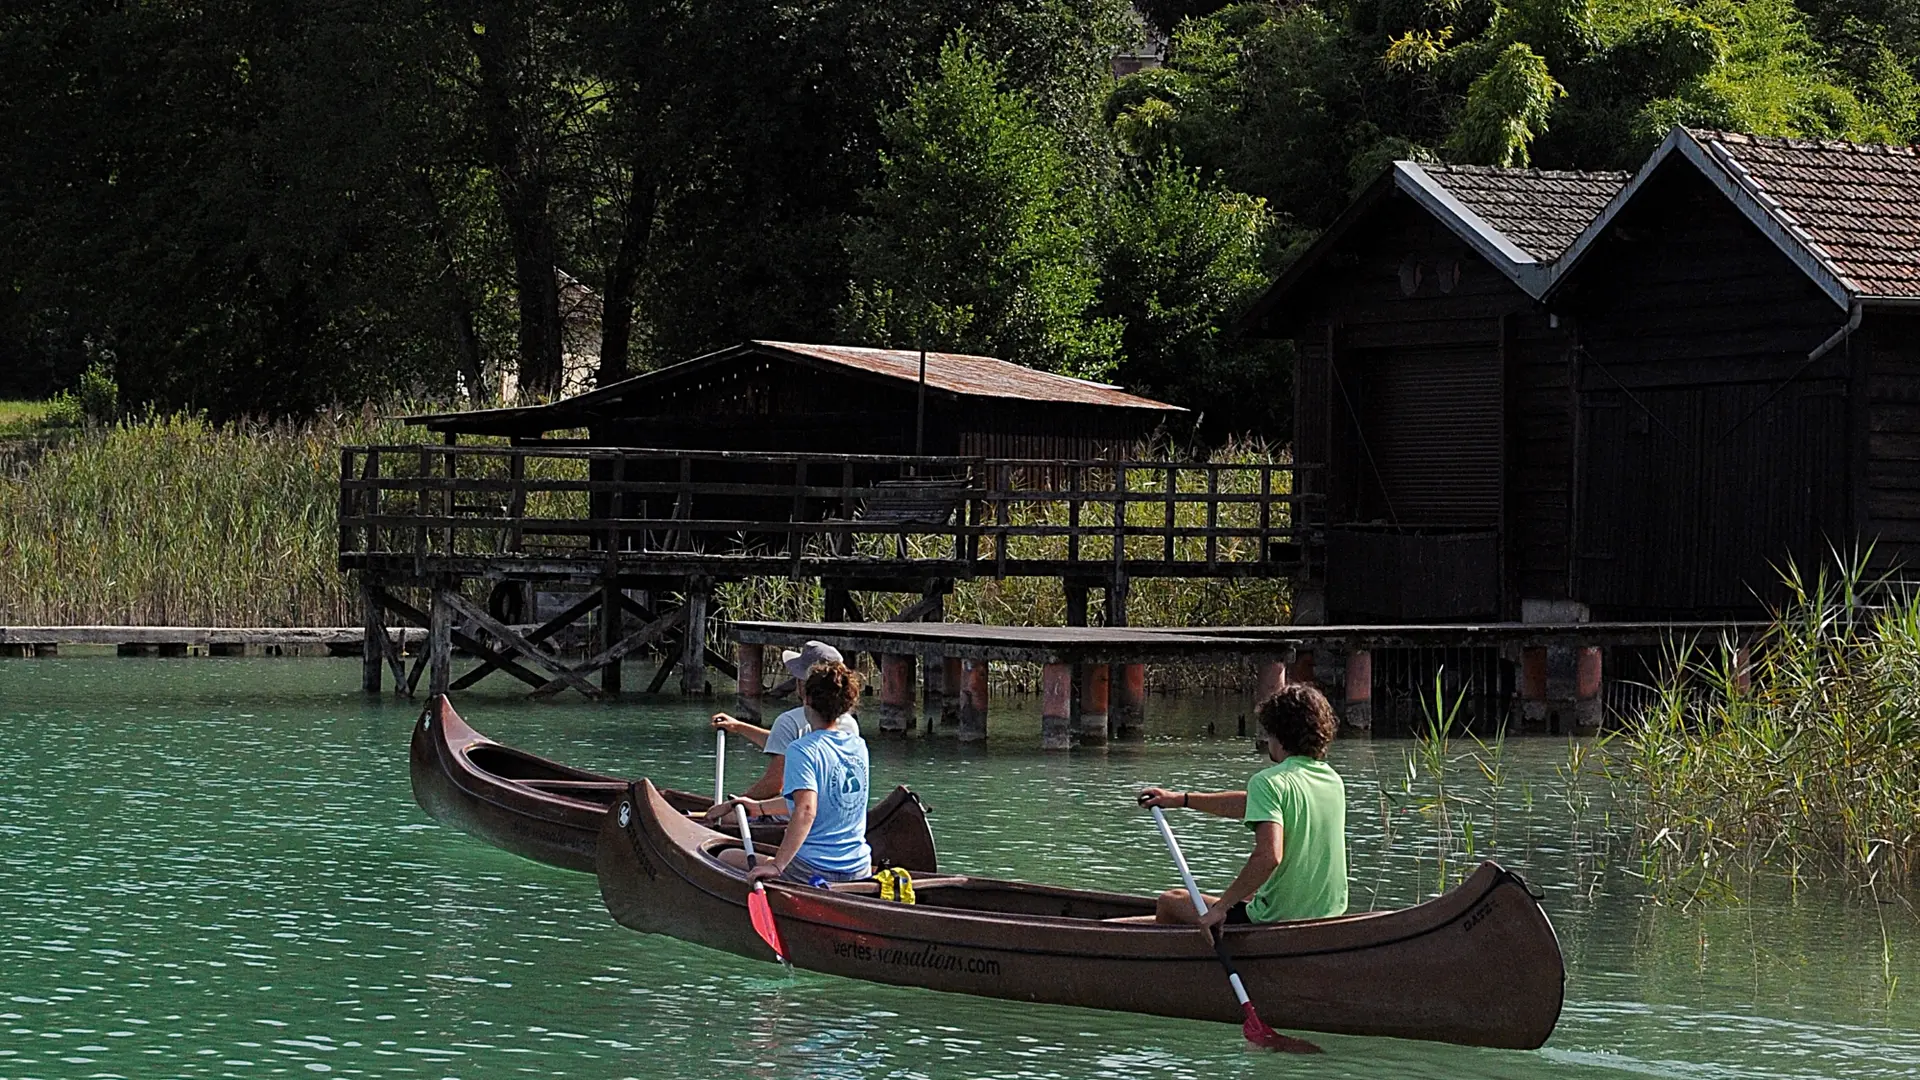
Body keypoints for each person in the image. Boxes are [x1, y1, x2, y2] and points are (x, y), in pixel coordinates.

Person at [1137, 684, 1347, 927]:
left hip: (1276, 919)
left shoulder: (1269, 781)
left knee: (1170, 901)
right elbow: (1251, 804)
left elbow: (1269, 857)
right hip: (1329, 917)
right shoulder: (1332, 780)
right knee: (1246, 894)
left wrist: (1221, 908)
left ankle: (1183, 963)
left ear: (1277, 733)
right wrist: (1181, 799)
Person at [710, 660, 874, 885]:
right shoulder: (859, 746)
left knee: (724, 855)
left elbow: (806, 810)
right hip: (859, 868)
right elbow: (822, 801)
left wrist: (777, 865)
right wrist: (757, 808)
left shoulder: (802, 749)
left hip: (814, 870)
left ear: (806, 699)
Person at [709, 640, 860, 804]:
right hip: (835, 811)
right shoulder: (849, 724)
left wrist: (733, 804)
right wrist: (739, 727)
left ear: (801, 684)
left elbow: (774, 785)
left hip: (793, 813)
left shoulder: (788, 721)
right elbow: (787, 744)